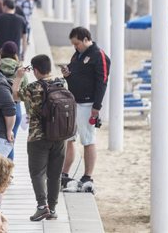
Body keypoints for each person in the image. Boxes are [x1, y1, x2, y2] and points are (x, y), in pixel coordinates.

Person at [14, 54, 65, 221]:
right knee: (55, 174)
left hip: (38, 137)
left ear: (35, 70)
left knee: (37, 173)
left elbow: (14, 95)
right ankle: (53, 209)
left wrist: (19, 77)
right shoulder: (61, 84)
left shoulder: (33, 87)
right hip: (59, 136)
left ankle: (42, 206)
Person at [60, 26, 110, 192]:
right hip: (74, 101)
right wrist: (67, 73)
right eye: (73, 44)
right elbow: (75, 72)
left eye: (77, 43)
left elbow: (102, 81)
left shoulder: (99, 55)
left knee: (88, 139)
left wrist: (97, 106)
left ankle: (87, 175)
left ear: (86, 39)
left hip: (88, 104)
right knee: (70, 138)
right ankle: (64, 173)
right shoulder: (77, 54)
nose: (75, 46)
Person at [0, 41, 27, 161]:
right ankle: (8, 174)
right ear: (16, 53)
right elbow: (25, 92)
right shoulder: (20, 69)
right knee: (10, 141)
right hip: (16, 109)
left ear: (1, 51)